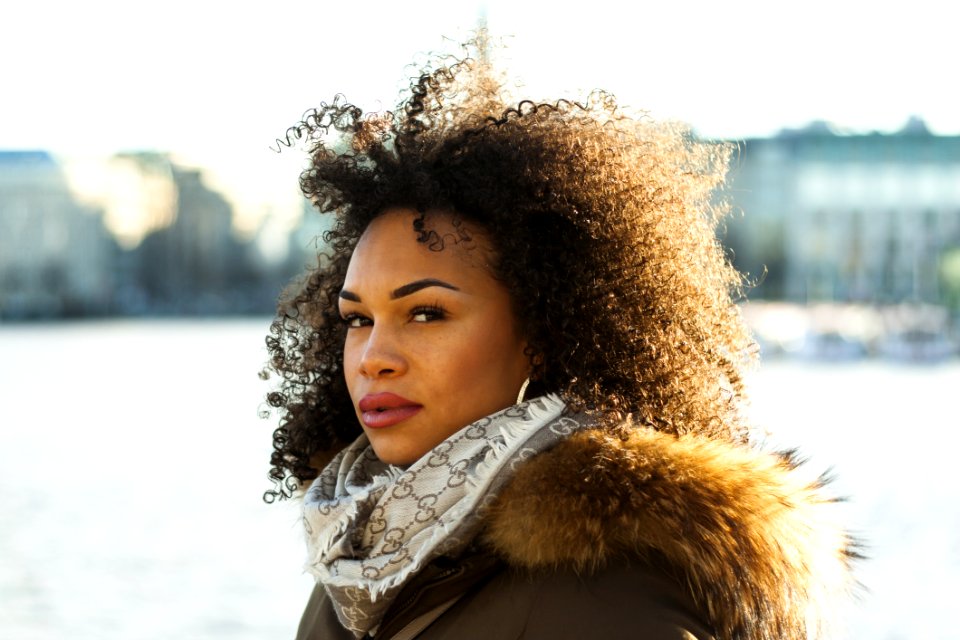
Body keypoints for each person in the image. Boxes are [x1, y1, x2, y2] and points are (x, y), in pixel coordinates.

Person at [262, 39, 857, 640]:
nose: (373, 359)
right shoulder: (355, 558)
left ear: (543, 332)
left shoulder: (616, 598)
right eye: (357, 319)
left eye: (426, 314)